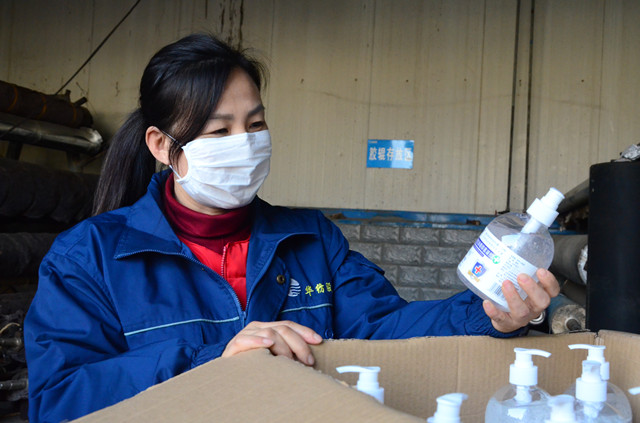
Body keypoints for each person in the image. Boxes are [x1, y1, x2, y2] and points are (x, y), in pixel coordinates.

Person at [24, 33, 560, 423]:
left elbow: (385, 332)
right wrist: (214, 360)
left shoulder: (310, 239)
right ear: (163, 146)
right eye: (220, 131)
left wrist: (486, 314)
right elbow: (59, 400)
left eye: (255, 124)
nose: (245, 143)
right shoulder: (88, 257)